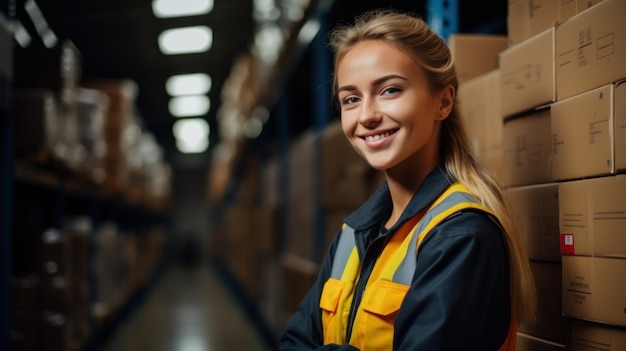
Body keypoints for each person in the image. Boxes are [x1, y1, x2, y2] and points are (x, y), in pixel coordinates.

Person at [279, 9, 537, 351]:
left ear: (443, 102)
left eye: (389, 90)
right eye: (351, 99)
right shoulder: (352, 235)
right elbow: (294, 341)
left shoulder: (461, 238)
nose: (367, 116)